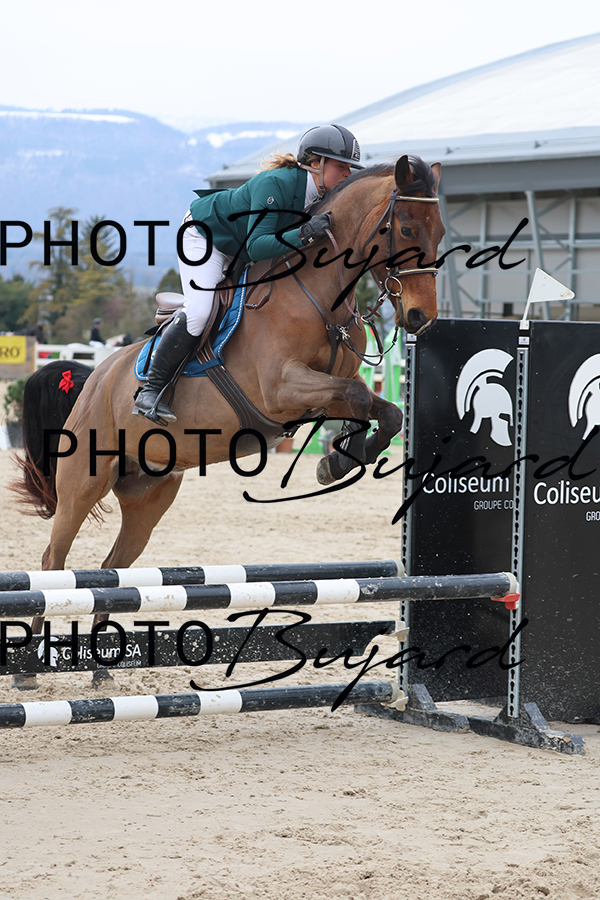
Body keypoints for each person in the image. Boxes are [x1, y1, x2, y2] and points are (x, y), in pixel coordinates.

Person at [132, 124, 364, 424]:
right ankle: (150, 391)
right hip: (207, 238)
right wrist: (304, 234)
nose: (348, 174)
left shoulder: (321, 198)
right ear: (315, 163)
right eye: (341, 166)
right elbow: (256, 245)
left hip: (240, 247)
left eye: (350, 168)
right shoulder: (276, 184)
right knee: (201, 311)